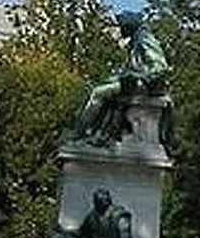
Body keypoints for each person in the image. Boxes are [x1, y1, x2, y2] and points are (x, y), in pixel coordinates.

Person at [73, 11, 172, 146]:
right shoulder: (135, 40)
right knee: (95, 88)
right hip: (134, 83)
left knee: (98, 93)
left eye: (122, 27)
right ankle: (98, 133)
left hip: (146, 86)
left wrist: (139, 75)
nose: (120, 30)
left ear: (129, 25)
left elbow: (160, 67)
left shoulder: (144, 39)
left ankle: (80, 134)